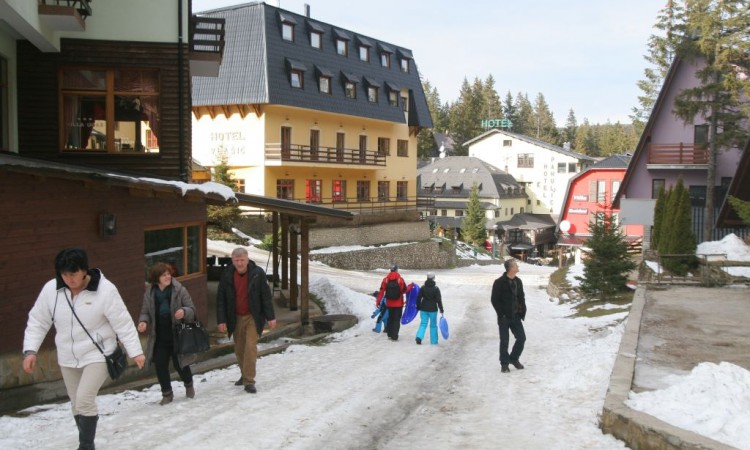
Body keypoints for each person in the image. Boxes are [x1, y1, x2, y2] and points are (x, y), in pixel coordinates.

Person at [22, 248, 145, 450]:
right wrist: (30, 351)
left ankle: (86, 446)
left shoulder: (105, 290)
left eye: (73, 274)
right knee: (75, 403)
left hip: (98, 353)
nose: (68, 279)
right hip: (67, 356)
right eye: (64, 274)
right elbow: (38, 321)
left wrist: (136, 352)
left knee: (84, 399)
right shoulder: (51, 290)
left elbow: (122, 322)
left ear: (84, 270)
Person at [216, 248, 277, 393]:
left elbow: (266, 296)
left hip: (253, 316)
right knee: (240, 348)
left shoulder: (257, 273)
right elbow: (221, 299)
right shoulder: (227, 275)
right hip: (235, 317)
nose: (239, 263)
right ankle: (244, 374)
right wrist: (221, 320)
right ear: (232, 260)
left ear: (247, 259)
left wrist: (271, 317)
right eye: (236, 260)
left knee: (250, 347)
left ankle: (249, 381)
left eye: (242, 260)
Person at [137, 262, 198, 405]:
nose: (168, 277)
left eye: (168, 274)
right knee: (160, 365)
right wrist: (143, 322)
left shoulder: (179, 290)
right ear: (156, 278)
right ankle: (167, 394)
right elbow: (145, 312)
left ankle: (189, 385)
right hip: (159, 336)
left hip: (177, 335)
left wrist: (184, 312)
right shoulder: (150, 292)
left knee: (180, 364)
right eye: (164, 275)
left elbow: (192, 309)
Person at [491, 259, 527, 373]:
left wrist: (522, 310)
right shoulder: (499, 282)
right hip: (504, 318)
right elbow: (494, 300)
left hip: (516, 316)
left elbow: (521, 297)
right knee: (504, 341)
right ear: (511, 268)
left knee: (521, 338)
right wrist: (501, 314)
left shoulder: (518, 281)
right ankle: (504, 364)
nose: (518, 266)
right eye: (516, 265)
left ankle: (514, 358)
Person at [377, 263, 407, 341]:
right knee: (396, 319)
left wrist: (378, 301)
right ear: (397, 270)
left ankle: (389, 334)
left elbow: (381, 291)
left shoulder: (385, 279)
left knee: (390, 318)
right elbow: (404, 290)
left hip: (389, 303)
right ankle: (394, 336)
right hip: (398, 303)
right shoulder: (400, 279)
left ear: (390, 270)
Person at [415, 272, 444, 345]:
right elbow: (438, 300)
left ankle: (419, 337)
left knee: (423, 324)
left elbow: (419, 298)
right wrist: (441, 309)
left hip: (423, 308)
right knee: (433, 325)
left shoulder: (423, 288)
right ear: (433, 278)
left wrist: (418, 306)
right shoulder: (436, 289)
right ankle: (434, 341)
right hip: (433, 309)